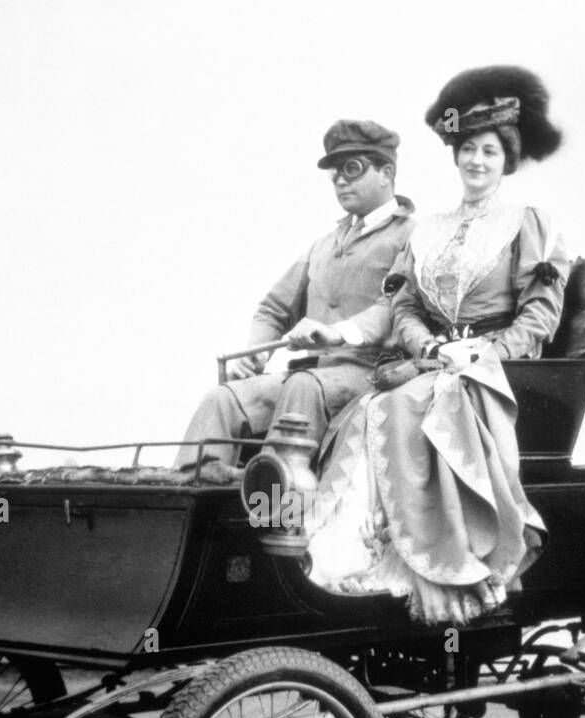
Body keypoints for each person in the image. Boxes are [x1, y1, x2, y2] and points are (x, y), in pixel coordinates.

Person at [303, 66, 572, 625]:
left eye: (490, 153)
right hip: (429, 362)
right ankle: (360, 558)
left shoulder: (529, 223)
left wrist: (477, 355)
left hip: (492, 371)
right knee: (369, 407)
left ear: (507, 161)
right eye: (468, 149)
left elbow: (540, 317)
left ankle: (438, 568)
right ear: (456, 157)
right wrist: (427, 348)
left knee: (403, 404)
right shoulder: (428, 228)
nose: (477, 161)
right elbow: (403, 306)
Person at [175, 120, 415, 469]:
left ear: (386, 172)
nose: (341, 180)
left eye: (352, 168)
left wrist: (337, 332)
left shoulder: (411, 237)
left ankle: (276, 506)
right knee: (222, 399)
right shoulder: (323, 245)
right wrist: (253, 355)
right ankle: (186, 503)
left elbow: (394, 306)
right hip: (311, 376)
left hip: (372, 375)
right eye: (334, 172)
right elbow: (273, 308)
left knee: (302, 387)